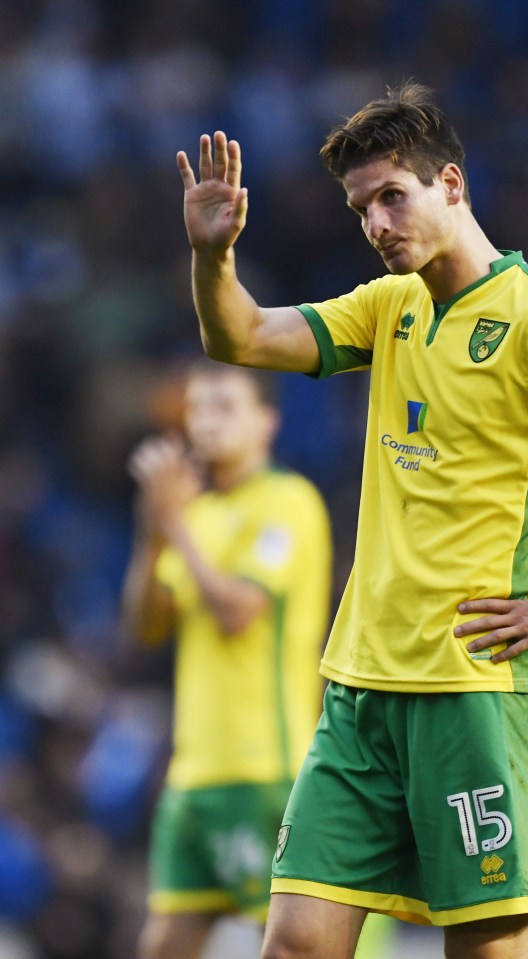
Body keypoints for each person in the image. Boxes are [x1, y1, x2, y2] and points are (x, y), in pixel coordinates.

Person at [175, 82, 528, 959]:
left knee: (483, 948)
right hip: (361, 687)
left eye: (392, 197)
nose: (376, 223)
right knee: (294, 941)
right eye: (361, 208)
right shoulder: (391, 307)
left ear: (451, 184)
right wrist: (213, 259)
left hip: (474, 691)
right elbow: (245, 338)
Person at [121, 360, 333, 959]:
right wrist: (152, 533)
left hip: (265, 769)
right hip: (193, 776)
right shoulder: (198, 515)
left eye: (224, 408)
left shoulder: (287, 503)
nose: (206, 423)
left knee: (296, 945)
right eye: (197, 409)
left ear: (267, 422)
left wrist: (173, 527)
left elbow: (239, 610)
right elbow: (144, 626)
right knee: (164, 945)